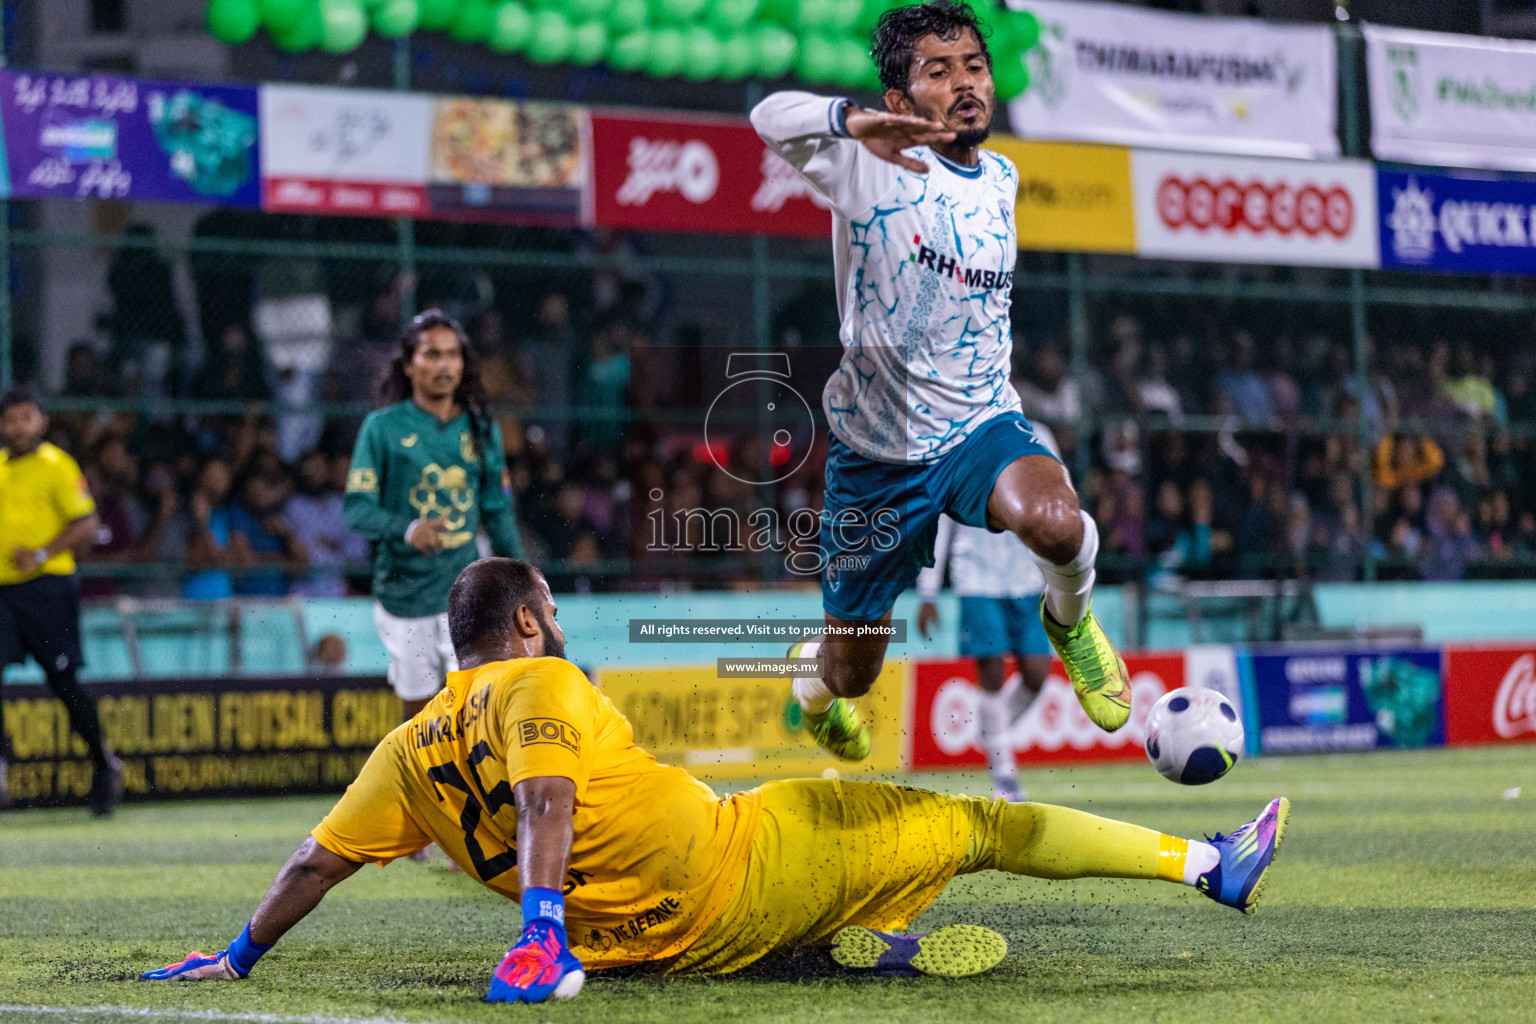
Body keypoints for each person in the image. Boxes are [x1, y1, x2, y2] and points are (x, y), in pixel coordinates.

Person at [140, 557, 1290, 1003]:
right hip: (740, 866)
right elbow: (545, 799)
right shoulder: (539, 684)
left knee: (869, 851)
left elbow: (316, 860)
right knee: (977, 819)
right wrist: (539, 934)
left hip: (653, 943)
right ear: (531, 619)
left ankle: (875, 927)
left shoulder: (403, 749)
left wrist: (238, 953)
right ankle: (1211, 865)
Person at [751, 1, 1131, 763]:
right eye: (938, 70)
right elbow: (766, 114)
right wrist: (850, 123)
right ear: (899, 100)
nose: (966, 84)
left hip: (978, 427)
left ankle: (1070, 619)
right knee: (852, 674)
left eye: (975, 67)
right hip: (873, 457)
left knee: (1056, 522)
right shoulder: (863, 160)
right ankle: (811, 689)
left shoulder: (1003, 176)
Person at [344, 309, 524, 720]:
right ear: (409, 365)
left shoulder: (481, 428)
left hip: (464, 593)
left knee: (475, 710)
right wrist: (408, 530)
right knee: (421, 718)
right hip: (403, 594)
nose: (444, 364)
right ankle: (425, 783)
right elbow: (356, 510)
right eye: (432, 355)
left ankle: (477, 786)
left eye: (452, 355)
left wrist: (523, 576)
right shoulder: (381, 428)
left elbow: (497, 510)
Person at [915, 423, 1065, 803]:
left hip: (1027, 576)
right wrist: (928, 590)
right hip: (977, 575)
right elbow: (940, 518)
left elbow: (1060, 496)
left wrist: (1063, 569)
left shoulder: (1038, 436)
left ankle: (992, 732)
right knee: (992, 672)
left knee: (1036, 673)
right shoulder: (959, 437)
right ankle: (1005, 775)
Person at [0, 387, 121, 814]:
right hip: (3, 592)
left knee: (64, 683)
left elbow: (87, 523)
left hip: (48, 587)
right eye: (10, 419)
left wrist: (40, 553)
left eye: (25, 418)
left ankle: (103, 765)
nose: (18, 427)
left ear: (41, 421)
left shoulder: (56, 464)